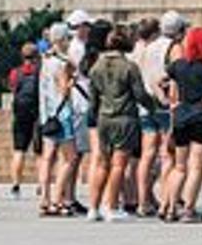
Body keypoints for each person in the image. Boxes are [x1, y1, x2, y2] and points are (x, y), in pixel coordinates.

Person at [87, 26, 159, 222]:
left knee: (102, 163)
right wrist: (154, 107)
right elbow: (140, 95)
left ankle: (93, 207)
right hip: (124, 118)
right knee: (119, 164)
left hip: (103, 118)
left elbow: (93, 100)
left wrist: (94, 117)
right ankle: (111, 206)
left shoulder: (96, 67)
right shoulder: (129, 67)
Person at [159, 26, 202, 222]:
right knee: (196, 166)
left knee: (179, 167)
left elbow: (160, 81)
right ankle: (189, 210)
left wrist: (170, 102)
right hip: (201, 116)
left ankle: (171, 208)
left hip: (181, 116)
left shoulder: (179, 65)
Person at [132, 14, 182, 216]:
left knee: (147, 154)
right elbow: (178, 76)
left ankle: (143, 201)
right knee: (167, 154)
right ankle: (166, 200)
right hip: (165, 104)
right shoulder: (174, 48)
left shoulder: (148, 46)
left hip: (146, 104)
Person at [37, 22, 89, 217]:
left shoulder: (46, 59)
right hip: (62, 114)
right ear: (62, 40)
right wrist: (72, 80)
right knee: (70, 157)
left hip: (47, 114)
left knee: (48, 157)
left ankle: (45, 199)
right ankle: (58, 199)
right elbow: (63, 90)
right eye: (68, 38)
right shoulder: (60, 63)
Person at [6, 41, 42, 198]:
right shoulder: (40, 71)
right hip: (38, 112)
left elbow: (13, 89)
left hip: (20, 113)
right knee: (40, 152)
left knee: (19, 150)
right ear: (36, 56)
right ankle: (41, 185)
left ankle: (15, 186)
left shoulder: (15, 72)